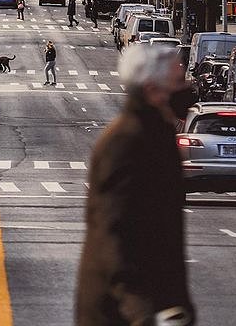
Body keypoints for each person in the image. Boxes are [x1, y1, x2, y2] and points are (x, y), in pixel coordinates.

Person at [76, 43, 197, 326]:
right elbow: (113, 234)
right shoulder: (126, 142)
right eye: (178, 82)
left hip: (156, 305)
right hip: (120, 312)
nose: (188, 88)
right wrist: (141, 311)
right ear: (153, 89)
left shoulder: (157, 134)